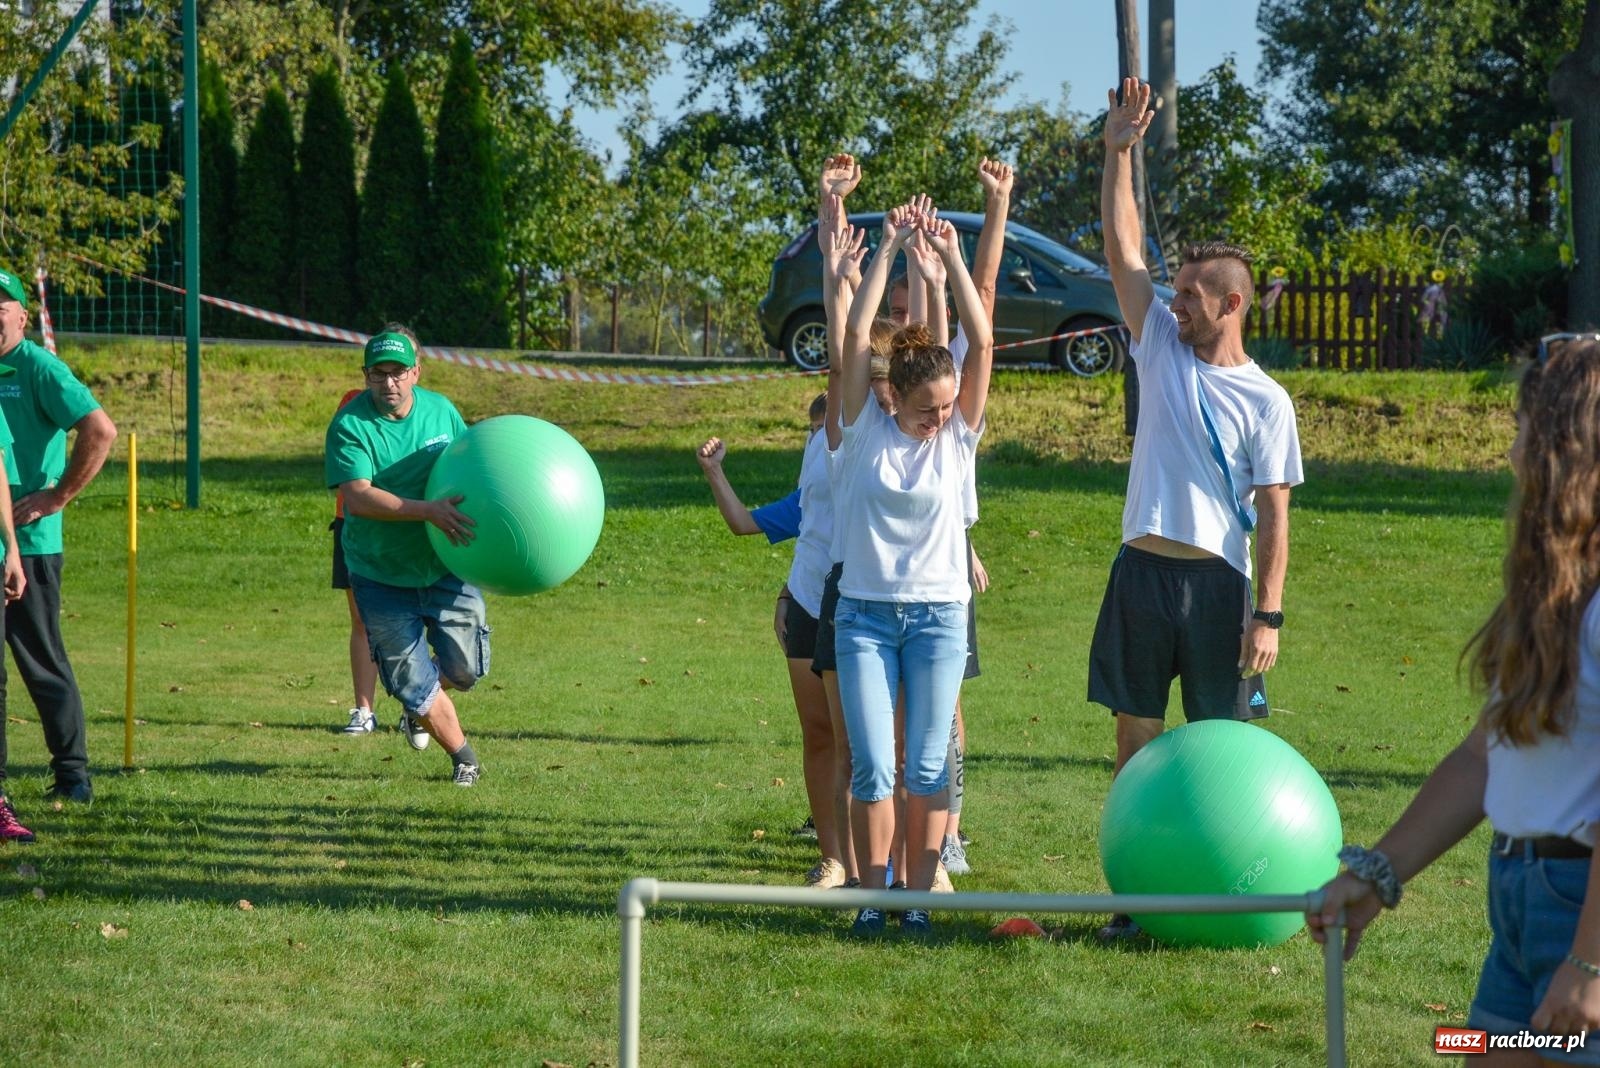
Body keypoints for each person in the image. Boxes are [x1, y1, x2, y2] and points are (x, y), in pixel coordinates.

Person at [1309, 341, 1600, 1065]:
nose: (1511, 451)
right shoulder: (1553, 596)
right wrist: (1377, 874)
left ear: (1567, 453)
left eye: (1525, 431)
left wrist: (1589, 964)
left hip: (1582, 913)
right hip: (1523, 902)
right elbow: (1483, 757)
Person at [1090, 80, 1303, 941]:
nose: (1172, 304)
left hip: (1219, 589)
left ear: (1231, 304)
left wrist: (1268, 615)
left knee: (1223, 756)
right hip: (1141, 574)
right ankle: (1132, 903)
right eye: (1173, 292)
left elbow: (1276, 516)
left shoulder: (1268, 401)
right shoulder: (1158, 345)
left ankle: (1221, 904)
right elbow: (1121, 247)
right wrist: (1118, 152)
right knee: (1135, 745)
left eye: (1188, 296)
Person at [834, 200, 993, 937]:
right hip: (863, 618)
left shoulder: (956, 438)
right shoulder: (864, 430)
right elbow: (855, 337)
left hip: (939, 618)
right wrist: (889, 247)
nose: (941, 420)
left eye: (949, 407)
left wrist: (952, 258)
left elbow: (981, 342)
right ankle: (873, 898)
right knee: (873, 765)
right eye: (928, 410)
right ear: (894, 397)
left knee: (928, 766)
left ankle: (918, 899)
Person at [694, 391, 855, 889]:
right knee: (819, 734)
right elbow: (743, 523)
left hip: (857, 608)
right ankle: (832, 858)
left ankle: (890, 859)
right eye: (811, 430)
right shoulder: (809, 491)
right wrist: (713, 472)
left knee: (861, 745)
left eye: (822, 428)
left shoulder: (865, 460)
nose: (816, 439)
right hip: (806, 606)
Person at [325, 327, 486, 786]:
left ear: (416, 372)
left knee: (466, 669)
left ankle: (418, 706)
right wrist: (427, 511)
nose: (389, 383)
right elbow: (358, 497)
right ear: (366, 376)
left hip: (444, 564)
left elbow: (471, 467)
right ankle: (464, 759)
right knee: (412, 680)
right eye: (379, 374)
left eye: (398, 372)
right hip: (380, 574)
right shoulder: (350, 425)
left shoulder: (442, 411)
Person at [0, 264, 110, 836]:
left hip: (30, 544)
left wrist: (57, 495)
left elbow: (100, 430)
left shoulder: (39, 368)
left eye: (0, 306)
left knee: (40, 660)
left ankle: (72, 774)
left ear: (22, 315)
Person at [332, 386, 380, 734]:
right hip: (353, 525)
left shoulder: (428, 410)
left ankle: (419, 707)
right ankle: (364, 711)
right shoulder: (351, 404)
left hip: (408, 524)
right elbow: (343, 471)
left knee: (416, 618)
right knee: (362, 620)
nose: (389, 380)